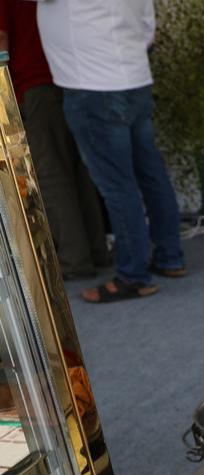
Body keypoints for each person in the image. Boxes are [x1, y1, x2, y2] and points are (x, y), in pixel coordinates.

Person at [36, 0, 185, 302]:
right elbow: (148, 28)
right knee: (150, 173)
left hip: (93, 87)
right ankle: (170, 257)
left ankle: (132, 276)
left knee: (118, 186)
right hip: (133, 78)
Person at [0, 0, 109, 279]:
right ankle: (96, 250)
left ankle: (75, 260)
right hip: (71, 78)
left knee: (51, 177)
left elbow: (2, 41)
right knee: (78, 170)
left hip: (34, 86)